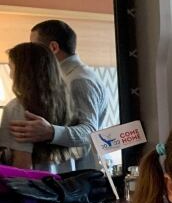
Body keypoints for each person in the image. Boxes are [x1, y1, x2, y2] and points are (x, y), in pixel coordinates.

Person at [9, 20, 110, 169]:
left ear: (54, 47)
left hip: (80, 173)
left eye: (34, 45)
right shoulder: (67, 78)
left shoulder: (77, 80)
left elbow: (89, 131)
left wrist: (50, 132)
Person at [0, 42, 82, 171]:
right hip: (66, 185)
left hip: (37, 187)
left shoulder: (17, 108)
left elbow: (22, 167)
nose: (10, 75)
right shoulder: (66, 103)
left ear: (24, 72)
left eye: (11, 68)